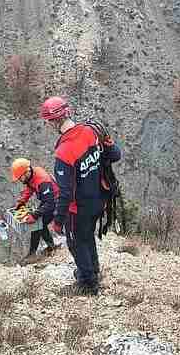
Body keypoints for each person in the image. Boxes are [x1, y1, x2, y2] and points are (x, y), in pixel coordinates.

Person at [40, 96, 122, 296]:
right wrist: (109, 142)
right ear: (67, 112)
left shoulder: (64, 152)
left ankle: (88, 283)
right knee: (87, 237)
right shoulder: (91, 131)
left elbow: (65, 193)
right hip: (99, 200)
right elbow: (115, 155)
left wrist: (58, 222)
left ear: (52, 121)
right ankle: (92, 271)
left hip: (79, 208)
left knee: (76, 241)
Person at [9, 158, 59, 262]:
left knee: (37, 224)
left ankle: (32, 254)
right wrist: (23, 200)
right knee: (41, 223)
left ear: (26, 173)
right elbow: (30, 187)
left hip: (57, 202)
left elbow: (50, 204)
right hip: (48, 201)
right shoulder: (32, 174)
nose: (19, 180)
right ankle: (51, 246)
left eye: (20, 178)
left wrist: (34, 215)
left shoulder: (42, 181)